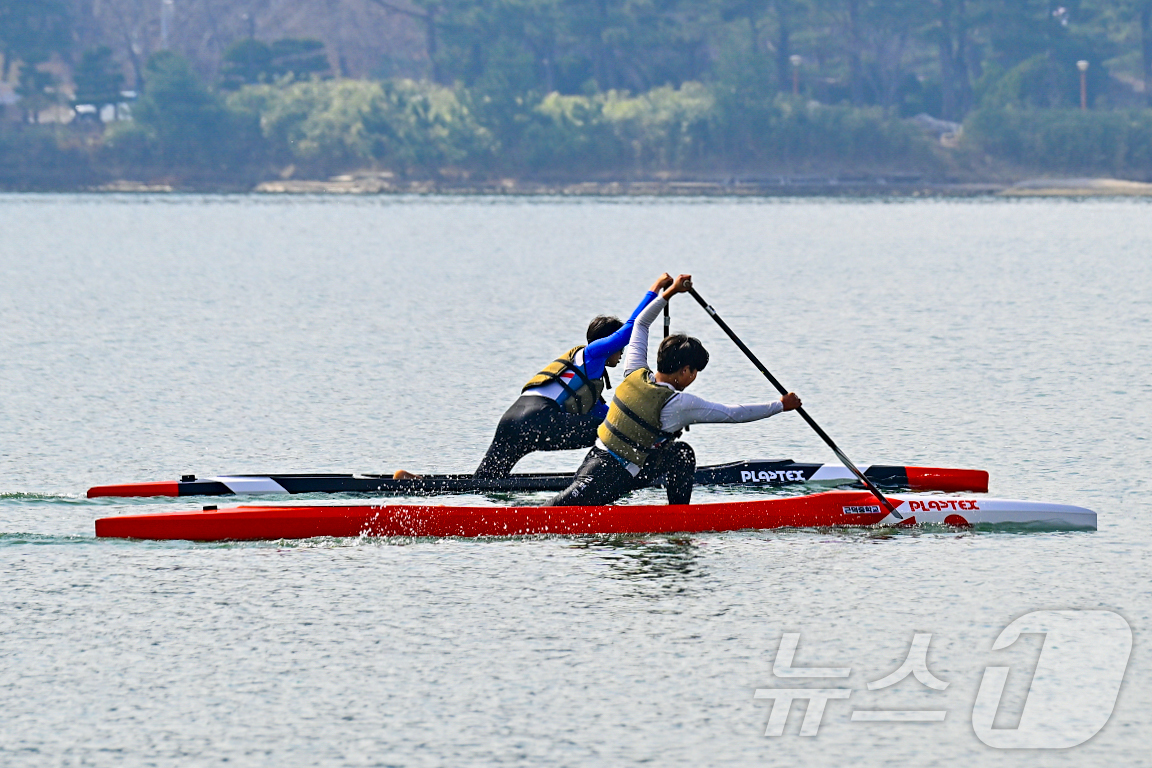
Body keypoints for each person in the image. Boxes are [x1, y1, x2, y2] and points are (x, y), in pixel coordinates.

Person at [547, 274, 801, 506]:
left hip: (599, 461)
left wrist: (668, 294)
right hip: (609, 475)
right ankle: (676, 518)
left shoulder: (634, 369)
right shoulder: (680, 404)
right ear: (685, 371)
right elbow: (733, 413)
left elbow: (641, 324)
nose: (694, 377)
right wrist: (780, 405)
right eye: (694, 372)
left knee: (680, 454)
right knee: (556, 509)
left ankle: (677, 516)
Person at [474, 273, 676, 478]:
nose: (623, 351)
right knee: (611, 433)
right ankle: (593, 478)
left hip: (511, 421)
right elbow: (630, 329)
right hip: (537, 419)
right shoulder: (592, 354)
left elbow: (613, 417)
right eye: (619, 347)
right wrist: (658, 288)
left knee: (485, 482)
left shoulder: (586, 380)